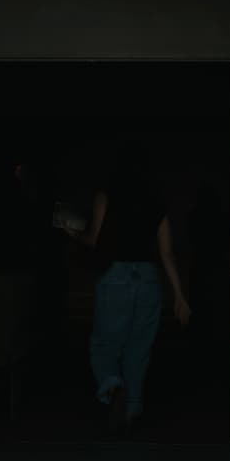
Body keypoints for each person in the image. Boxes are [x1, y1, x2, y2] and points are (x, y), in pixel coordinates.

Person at [63, 148, 191, 433]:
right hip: (148, 277)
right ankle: (133, 408)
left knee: (104, 342)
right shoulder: (157, 204)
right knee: (139, 348)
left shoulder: (105, 196)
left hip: (116, 274)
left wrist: (73, 233)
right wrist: (180, 297)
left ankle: (111, 384)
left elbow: (94, 238)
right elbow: (167, 254)